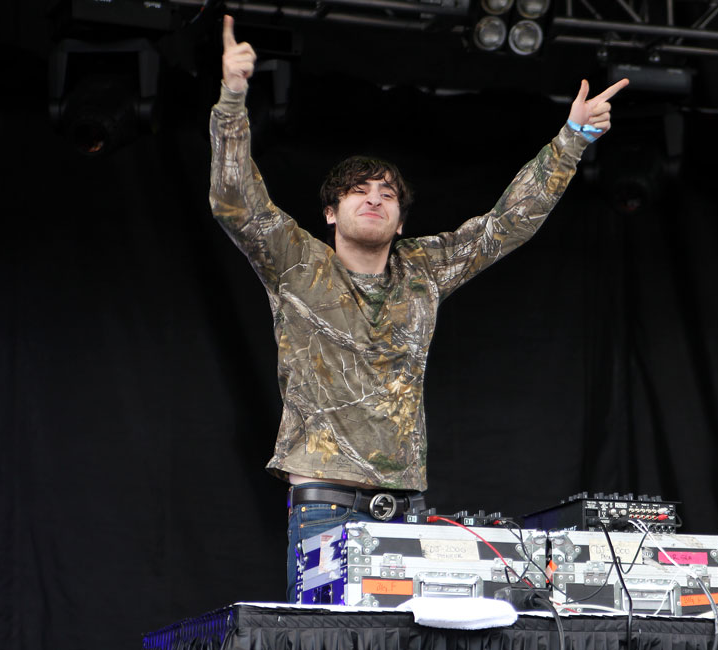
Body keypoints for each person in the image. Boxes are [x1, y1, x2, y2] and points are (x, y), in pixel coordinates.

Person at [211, 15, 628, 602]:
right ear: (331, 212)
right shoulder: (297, 263)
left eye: (387, 195)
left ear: (401, 221)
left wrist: (571, 140)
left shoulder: (423, 268)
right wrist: (232, 99)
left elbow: (506, 225)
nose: (374, 199)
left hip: (407, 509)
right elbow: (235, 200)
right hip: (325, 507)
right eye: (359, 191)